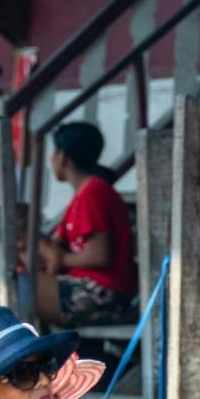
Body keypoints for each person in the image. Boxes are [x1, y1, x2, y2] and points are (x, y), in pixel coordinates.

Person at [33, 122, 138, 329]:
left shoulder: (94, 192)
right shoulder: (82, 194)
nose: (51, 159)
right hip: (86, 287)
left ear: (63, 157)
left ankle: (32, 358)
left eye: (54, 152)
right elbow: (56, 243)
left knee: (15, 290)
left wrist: (61, 259)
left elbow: (100, 256)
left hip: (104, 294)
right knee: (17, 283)